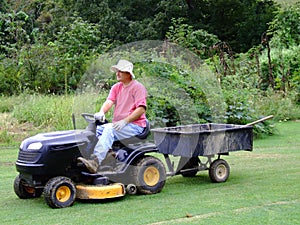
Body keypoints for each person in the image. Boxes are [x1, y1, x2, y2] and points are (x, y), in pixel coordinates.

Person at [78, 59, 147, 173]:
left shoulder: (138, 88)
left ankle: (95, 162)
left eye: (120, 71)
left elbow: (141, 109)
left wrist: (125, 121)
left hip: (135, 126)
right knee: (95, 130)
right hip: (119, 125)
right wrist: (101, 112)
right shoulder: (116, 87)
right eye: (117, 71)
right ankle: (105, 156)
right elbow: (109, 101)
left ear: (128, 73)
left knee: (110, 129)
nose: (117, 73)